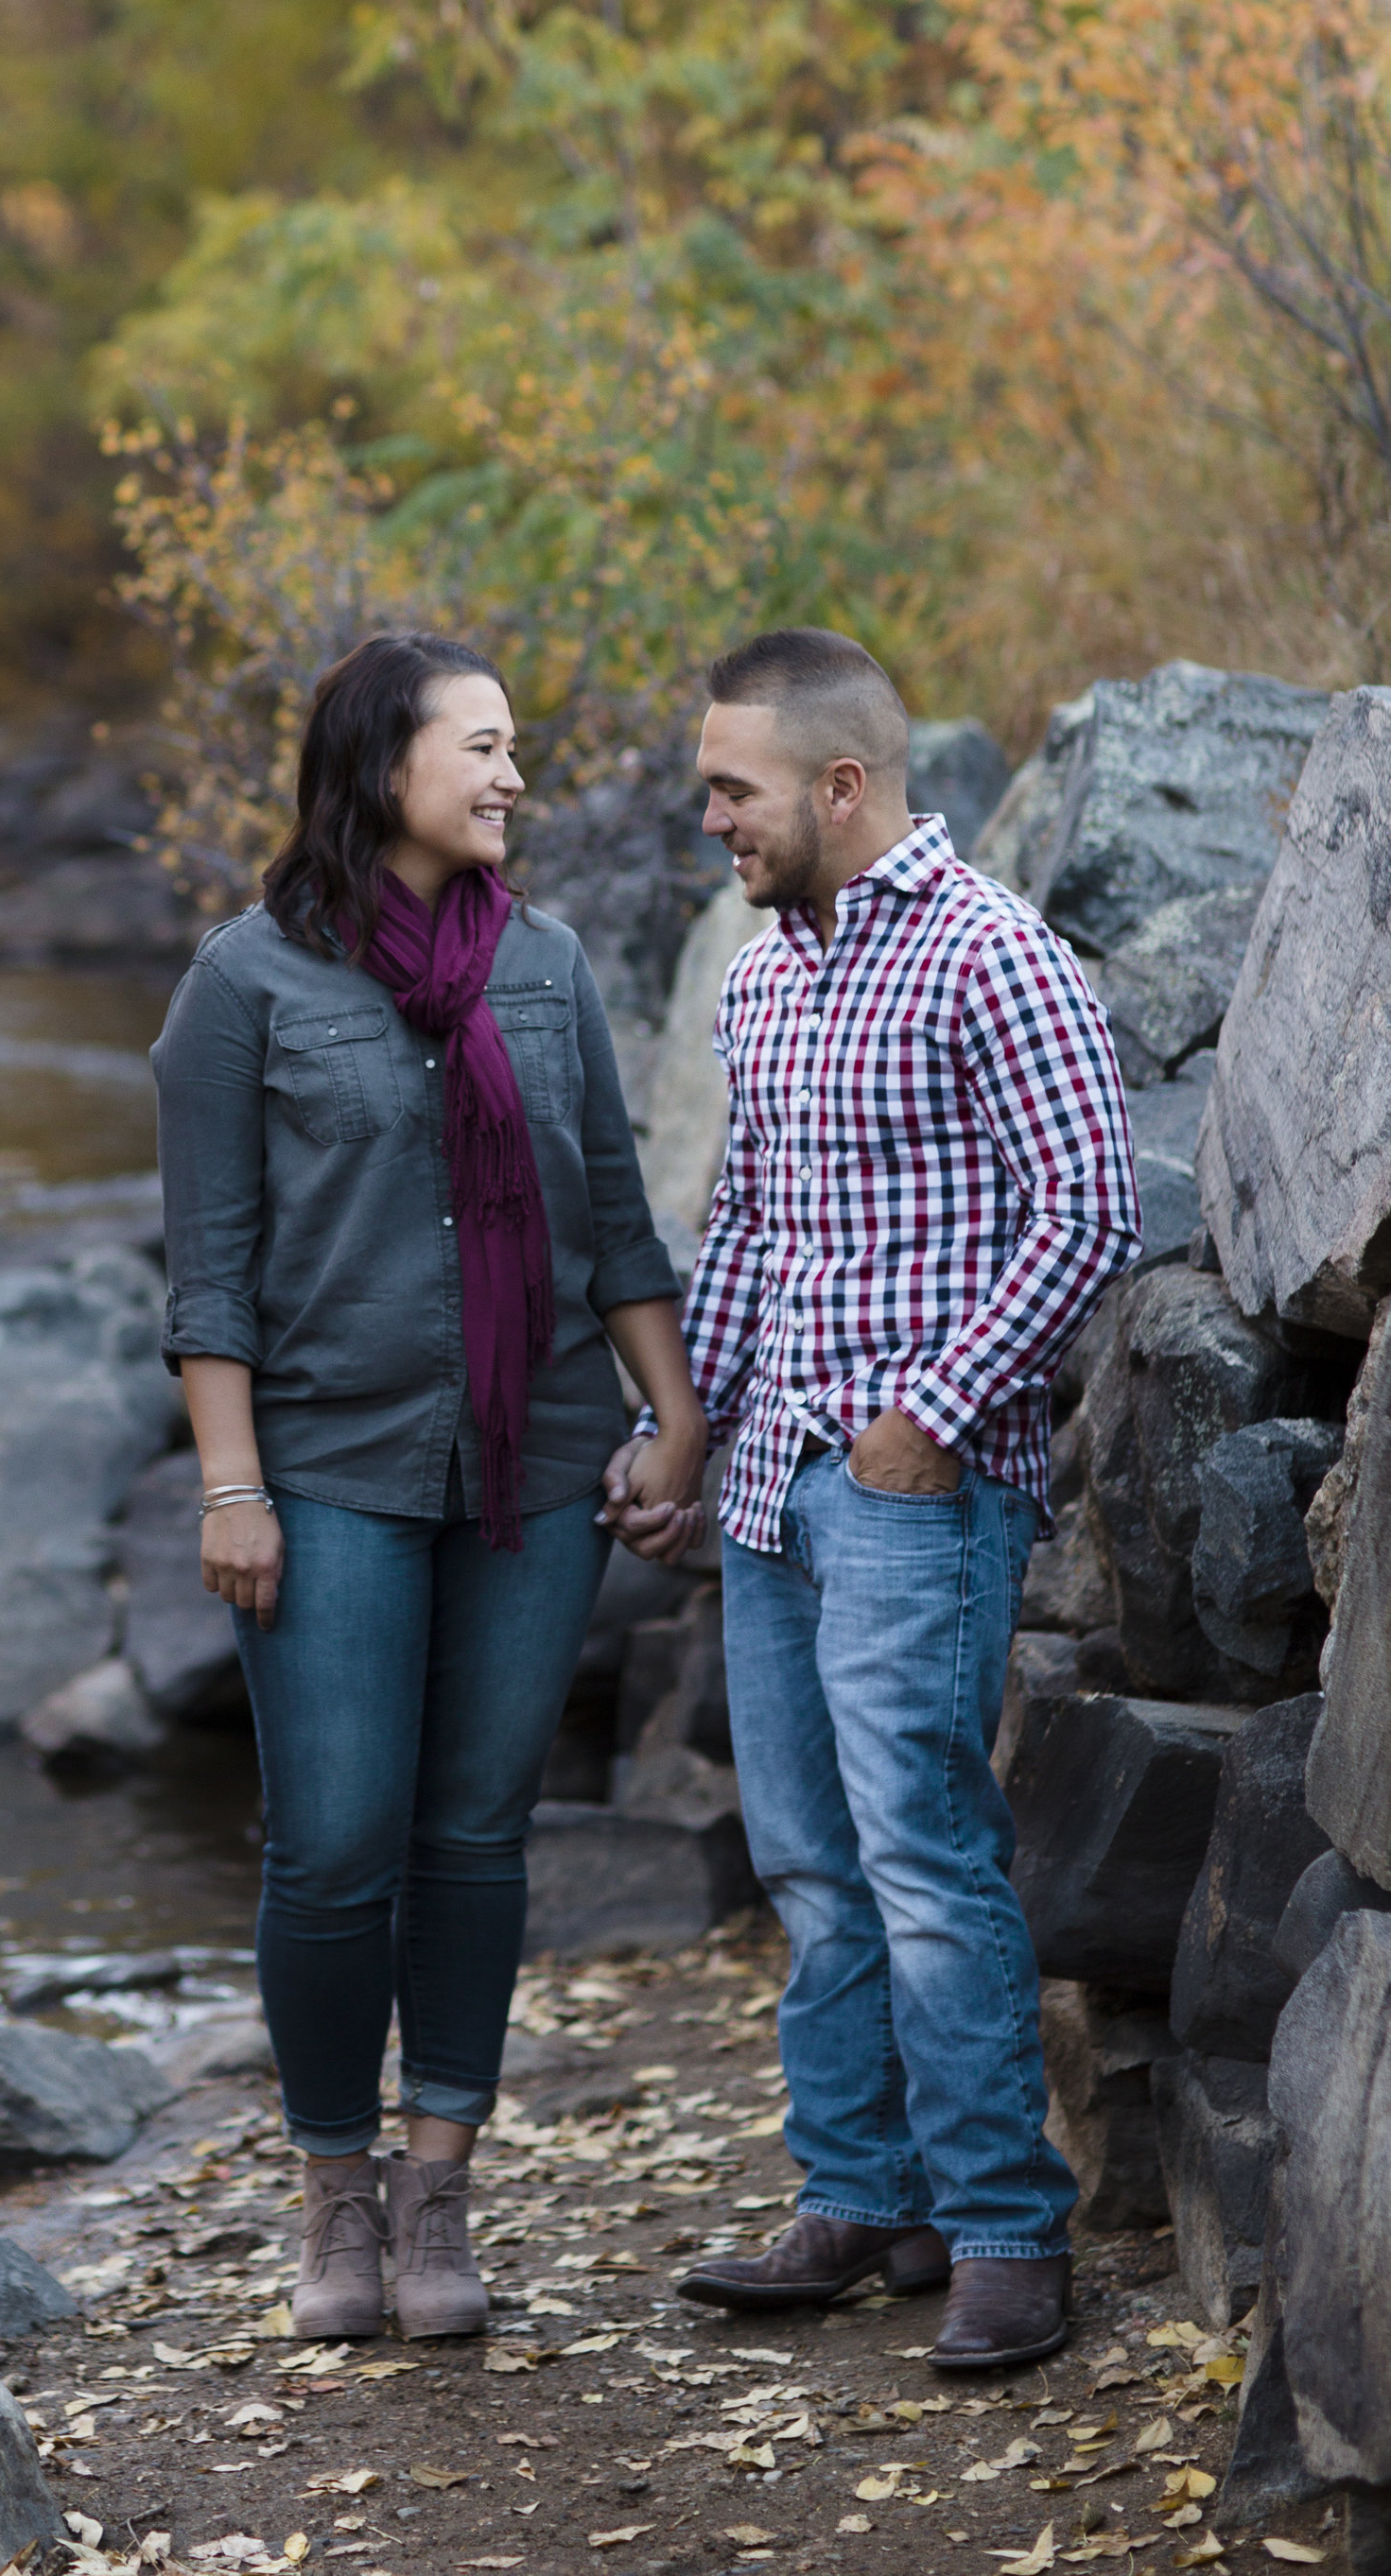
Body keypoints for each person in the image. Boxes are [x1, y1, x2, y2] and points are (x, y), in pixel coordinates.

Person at [153, 631, 708, 2341]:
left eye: (515, 746)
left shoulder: (539, 964)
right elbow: (210, 1268)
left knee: (474, 1835)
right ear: (384, 759)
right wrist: (228, 1485)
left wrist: (674, 1422)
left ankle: (440, 2190)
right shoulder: (242, 985)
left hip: (534, 1462)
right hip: (323, 1468)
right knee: (331, 1848)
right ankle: (333, 2195)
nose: (512, 774)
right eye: (482, 744)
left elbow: (610, 1213)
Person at [608, 629, 1139, 2372]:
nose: (711, 821)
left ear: (844, 784)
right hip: (771, 1492)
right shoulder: (767, 975)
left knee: (922, 1856)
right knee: (812, 1869)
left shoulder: (994, 955)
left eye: (731, 789)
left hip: (913, 1491)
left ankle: (1001, 2230)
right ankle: (863, 2199)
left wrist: (932, 1408)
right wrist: (689, 1431)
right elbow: (750, 1226)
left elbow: (1089, 1210)